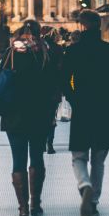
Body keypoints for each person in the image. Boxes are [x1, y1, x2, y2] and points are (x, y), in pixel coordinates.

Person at [63, 9, 109, 216]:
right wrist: (108, 95)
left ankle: (84, 185)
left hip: (82, 108)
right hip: (103, 109)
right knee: (99, 159)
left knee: (79, 156)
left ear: (81, 27)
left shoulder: (73, 51)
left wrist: (74, 98)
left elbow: (64, 80)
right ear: (99, 26)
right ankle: (94, 202)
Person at [1, 19, 59, 216]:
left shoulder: (11, 54)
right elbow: (55, 84)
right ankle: (36, 203)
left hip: (14, 115)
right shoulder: (45, 53)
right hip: (39, 114)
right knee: (37, 158)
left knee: (18, 160)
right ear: (38, 34)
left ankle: (22, 209)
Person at [41, 26, 64, 154]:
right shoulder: (58, 48)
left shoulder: (36, 48)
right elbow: (62, 69)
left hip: (38, 89)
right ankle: (50, 143)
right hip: (53, 88)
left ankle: (42, 142)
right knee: (51, 116)